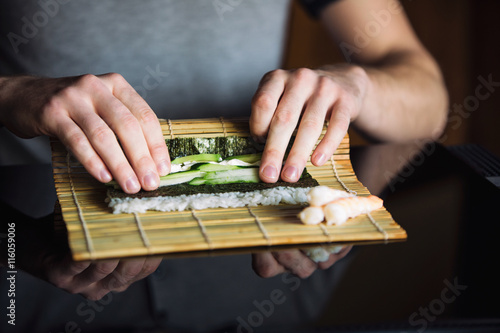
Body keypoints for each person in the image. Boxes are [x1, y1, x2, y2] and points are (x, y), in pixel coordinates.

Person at [0, 0, 447, 302]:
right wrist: (8, 93)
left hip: (260, 281)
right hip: (34, 268)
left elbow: (428, 96)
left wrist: (361, 85)